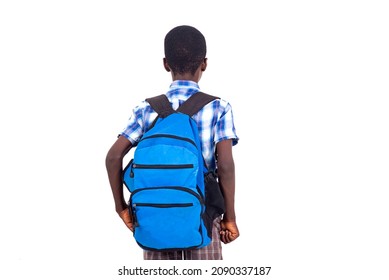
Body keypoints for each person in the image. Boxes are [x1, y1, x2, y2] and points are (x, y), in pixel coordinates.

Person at [105, 25, 239, 260]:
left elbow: (114, 157)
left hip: (154, 222)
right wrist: (229, 218)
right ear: (204, 64)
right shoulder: (218, 108)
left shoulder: (145, 109)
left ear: (166, 64)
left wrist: (122, 208)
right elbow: (225, 165)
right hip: (203, 220)